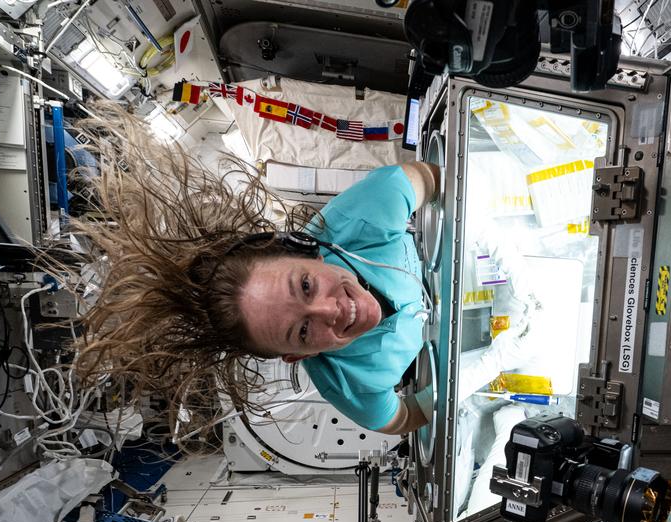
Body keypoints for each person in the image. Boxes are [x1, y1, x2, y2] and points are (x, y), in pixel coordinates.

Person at [69, 105, 442, 445]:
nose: (331, 311)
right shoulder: (348, 384)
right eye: (302, 331)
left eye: (306, 285)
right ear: (297, 356)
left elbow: (427, 178)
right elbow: (400, 418)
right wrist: (455, 384)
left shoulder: (346, 225)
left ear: (302, 248)